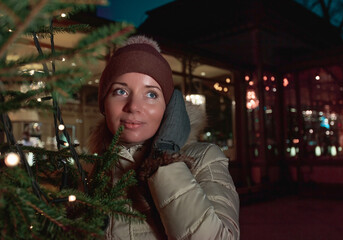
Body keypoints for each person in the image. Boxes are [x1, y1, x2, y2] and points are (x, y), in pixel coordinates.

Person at [88, 35, 240, 240]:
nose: (133, 106)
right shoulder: (93, 170)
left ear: (168, 107)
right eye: (120, 91)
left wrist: (165, 157)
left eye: (151, 94)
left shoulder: (204, 158)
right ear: (104, 104)